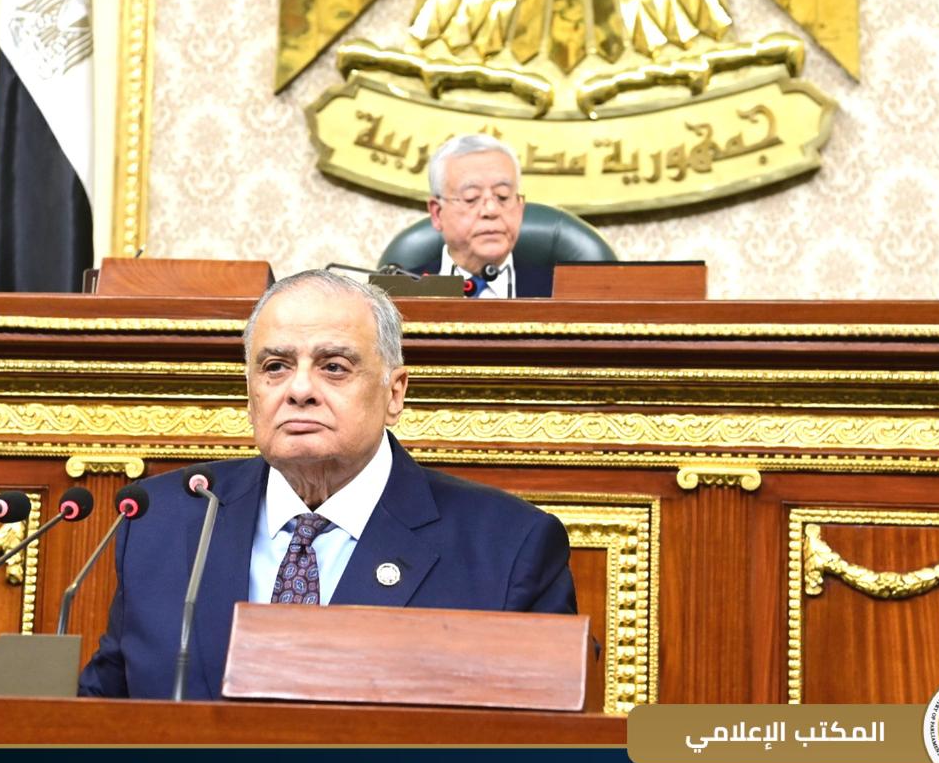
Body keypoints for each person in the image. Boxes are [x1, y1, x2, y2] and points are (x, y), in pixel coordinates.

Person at [78, 270, 577, 700]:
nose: (299, 390)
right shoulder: (162, 521)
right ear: (250, 394)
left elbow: (539, 753)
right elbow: (103, 714)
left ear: (394, 393)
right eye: (275, 367)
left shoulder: (508, 548)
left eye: (334, 367)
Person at [421, 134, 552, 298]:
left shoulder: (560, 293)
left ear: (520, 207)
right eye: (471, 198)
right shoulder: (399, 296)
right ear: (437, 214)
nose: (491, 210)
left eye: (502, 196)